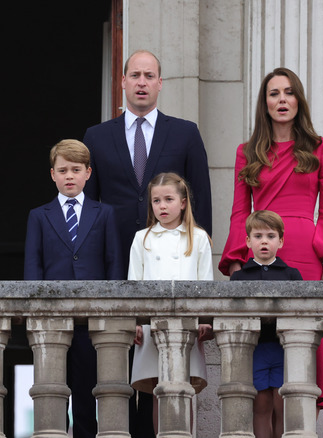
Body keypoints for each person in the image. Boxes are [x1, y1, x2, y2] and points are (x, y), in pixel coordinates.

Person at [82, 49, 212, 437]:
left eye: (148, 75)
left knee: (167, 376)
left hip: (173, 258)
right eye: (134, 75)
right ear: (122, 82)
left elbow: (200, 200)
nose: (141, 82)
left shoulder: (185, 132)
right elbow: (91, 207)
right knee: (119, 367)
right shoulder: (97, 136)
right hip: (117, 256)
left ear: (160, 83)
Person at [218, 67, 323, 411]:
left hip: (306, 256)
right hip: (259, 259)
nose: (282, 100)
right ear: (264, 104)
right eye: (274, 93)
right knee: (261, 357)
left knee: (303, 350)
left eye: (289, 92)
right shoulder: (246, 152)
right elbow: (238, 213)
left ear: (299, 100)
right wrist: (236, 266)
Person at [23, 139, 123, 437]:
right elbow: (33, 266)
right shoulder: (39, 216)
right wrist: (34, 313)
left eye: (76, 169)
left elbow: (113, 264)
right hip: (52, 319)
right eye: (63, 169)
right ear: (52, 174)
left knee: (86, 390)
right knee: (52, 388)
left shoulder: (104, 214)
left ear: (88, 173)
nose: (69, 176)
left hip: (92, 320)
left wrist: (114, 313)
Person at [128, 172, 213, 434]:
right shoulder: (142, 238)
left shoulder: (198, 238)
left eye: (168, 199)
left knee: (182, 388)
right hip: (152, 325)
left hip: (187, 326)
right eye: (156, 201)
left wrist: (205, 320)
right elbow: (134, 285)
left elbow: (206, 284)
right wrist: (136, 323)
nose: (162, 206)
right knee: (158, 390)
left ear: (183, 202)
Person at [231, 210, 302, 438]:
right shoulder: (239, 277)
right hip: (256, 350)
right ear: (248, 241)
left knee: (282, 406)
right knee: (260, 406)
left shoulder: (292, 275)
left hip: (284, 349)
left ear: (281, 241)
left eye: (271, 236)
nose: (264, 241)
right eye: (258, 235)